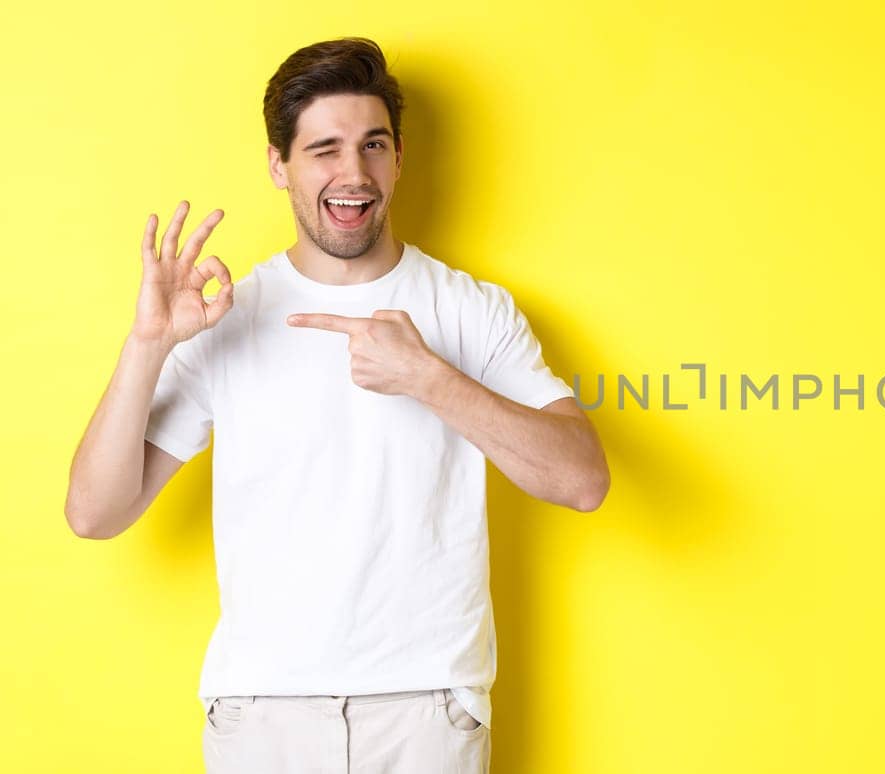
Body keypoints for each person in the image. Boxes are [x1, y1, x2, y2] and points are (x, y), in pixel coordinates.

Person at [63, 37, 609, 773]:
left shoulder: (472, 310)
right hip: (263, 714)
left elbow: (581, 480)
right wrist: (149, 344)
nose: (353, 175)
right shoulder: (227, 316)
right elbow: (95, 513)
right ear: (277, 165)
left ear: (399, 155)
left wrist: (429, 378)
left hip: (427, 710)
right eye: (324, 149)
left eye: (372, 145)